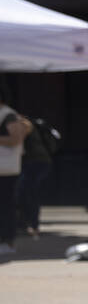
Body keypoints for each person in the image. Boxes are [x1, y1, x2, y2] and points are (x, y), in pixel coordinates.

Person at [16, 117, 60, 239]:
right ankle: (28, 224)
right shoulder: (21, 122)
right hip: (35, 163)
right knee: (26, 192)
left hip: (35, 163)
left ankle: (32, 225)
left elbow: (17, 142)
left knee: (28, 193)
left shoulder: (22, 124)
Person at [0, 100, 33, 255]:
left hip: (7, 170)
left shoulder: (8, 115)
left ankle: (8, 241)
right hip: (6, 169)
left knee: (6, 206)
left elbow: (16, 139)